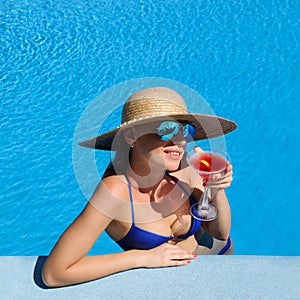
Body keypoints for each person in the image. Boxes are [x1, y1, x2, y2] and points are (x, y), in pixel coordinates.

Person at [42, 87, 237, 287]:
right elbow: (54, 274)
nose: (180, 141)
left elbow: (219, 233)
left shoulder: (186, 166)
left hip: (220, 259)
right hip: (175, 285)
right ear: (132, 137)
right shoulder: (115, 193)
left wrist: (216, 190)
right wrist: (140, 258)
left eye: (185, 130)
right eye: (167, 129)